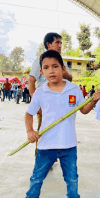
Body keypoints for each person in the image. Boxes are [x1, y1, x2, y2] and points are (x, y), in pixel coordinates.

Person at [16, 50, 100, 198]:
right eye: (46, 68)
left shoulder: (74, 89)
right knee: (37, 178)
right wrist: (30, 131)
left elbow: (84, 110)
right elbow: (29, 113)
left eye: (55, 66)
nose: (51, 71)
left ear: (63, 69)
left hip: (69, 145)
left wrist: (94, 100)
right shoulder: (40, 92)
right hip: (46, 146)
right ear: (41, 72)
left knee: (71, 179)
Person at [28, 32, 72, 160]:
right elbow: (31, 80)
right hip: (45, 102)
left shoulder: (61, 61)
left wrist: (63, 71)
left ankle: (53, 157)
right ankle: (41, 159)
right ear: (48, 44)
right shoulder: (41, 60)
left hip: (60, 103)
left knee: (58, 131)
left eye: (61, 43)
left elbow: (70, 78)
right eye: (57, 42)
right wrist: (36, 104)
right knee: (43, 132)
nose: (60, 45)